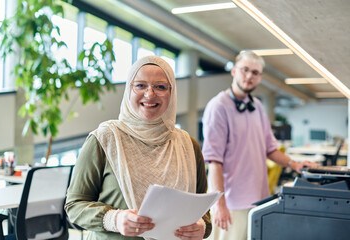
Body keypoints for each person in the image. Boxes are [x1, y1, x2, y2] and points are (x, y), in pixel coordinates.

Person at [65, 56, 212, 240]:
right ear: (129, 90)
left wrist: (202, 227)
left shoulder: (188, 146)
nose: (150, 94)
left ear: (171, 93)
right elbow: (74, 205)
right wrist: (115, 219)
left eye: (160, 87)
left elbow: (203, 212)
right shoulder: (104, 139)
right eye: (140, 85)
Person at [201, 51, 317, 240]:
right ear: (234, 71)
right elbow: (214, 161)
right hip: (231, 203)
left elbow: (270, 148)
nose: (249, 76)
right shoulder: (218, 106)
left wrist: (294, 164)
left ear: (260, 77)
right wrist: (219, 204)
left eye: (255, 73)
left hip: (258, 199)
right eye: (245, 70)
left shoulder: (257, 106)